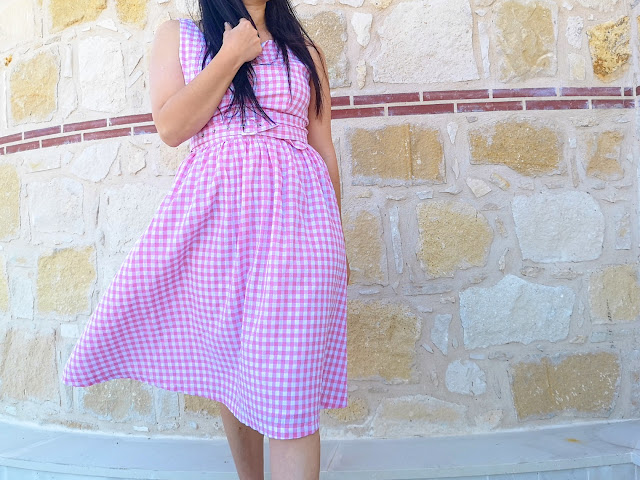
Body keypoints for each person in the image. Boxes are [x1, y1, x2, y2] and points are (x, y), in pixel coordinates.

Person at [62, 0, 350, 478]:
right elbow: (172, 127)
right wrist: (231, 55)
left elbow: (323, 148)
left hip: (301, 236)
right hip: (216, 236)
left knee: (292, 390)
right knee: (233, 370)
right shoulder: (181, 37)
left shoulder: (305, 52)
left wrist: (337, 242)